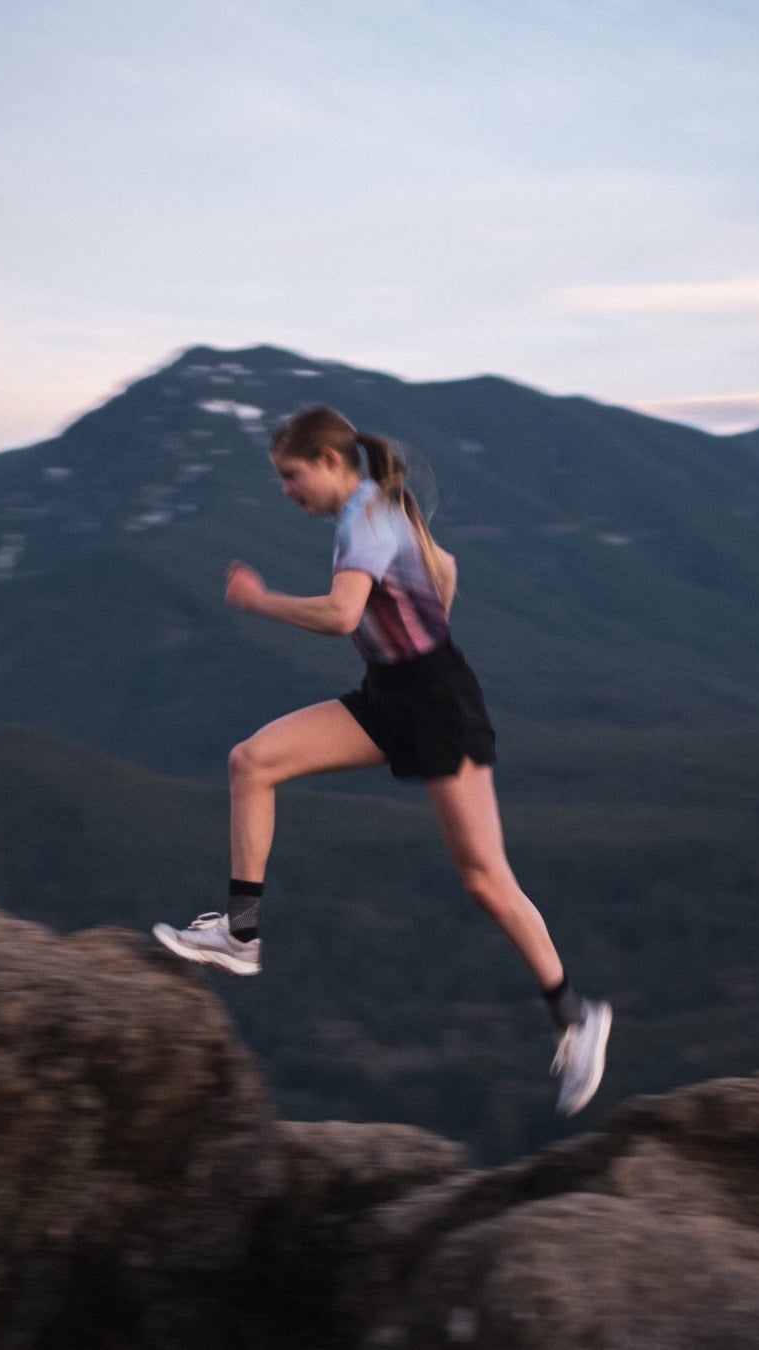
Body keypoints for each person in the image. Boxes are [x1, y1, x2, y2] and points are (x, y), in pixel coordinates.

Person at [151, 405, 611, 1117]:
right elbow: (446, 569)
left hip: (435, 706)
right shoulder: (377, 509)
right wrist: (421, 629)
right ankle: (239, 934)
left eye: (291, 475)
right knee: (253, 761)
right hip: (392, 693)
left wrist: (260, 600)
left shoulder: (367, 516)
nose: (285, 490)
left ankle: (578, 1018)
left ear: (331, 464)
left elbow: (341, 616)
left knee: (487, 882)